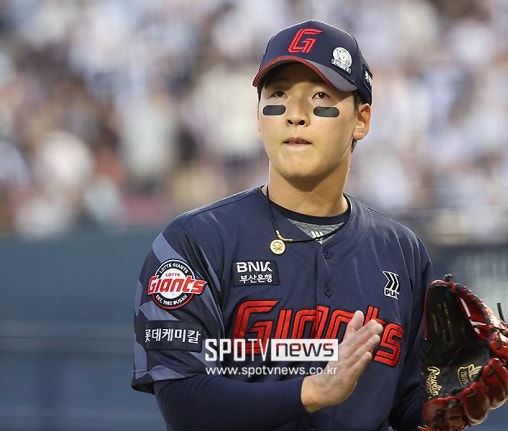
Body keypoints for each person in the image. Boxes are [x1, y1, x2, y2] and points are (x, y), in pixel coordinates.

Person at [132, 20, 432, 431]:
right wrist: (312, 391)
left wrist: (453, 407)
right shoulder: (195, 242)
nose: (296, 115)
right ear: (259, 119)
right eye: (278, 95)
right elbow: (183, 400)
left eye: (321, 96)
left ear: (361, 120)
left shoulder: (402, 251)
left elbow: (409, 404)